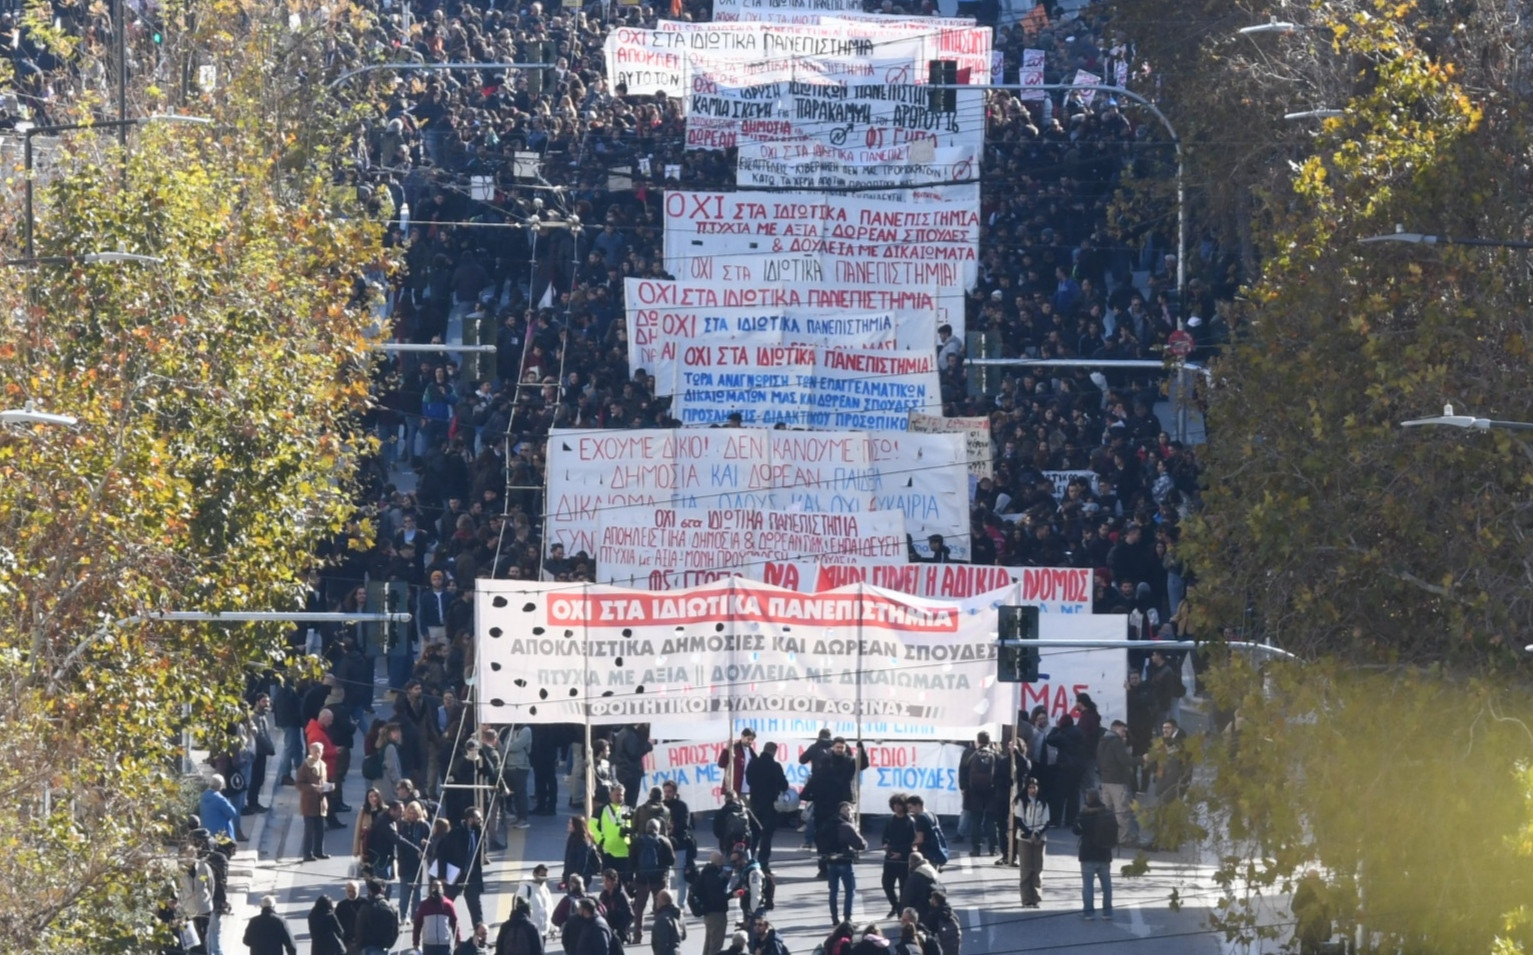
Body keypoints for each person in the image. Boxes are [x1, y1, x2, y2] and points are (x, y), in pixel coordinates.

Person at [1073, 790, 1117, 920]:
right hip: (1104, 853)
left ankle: (1089, 913)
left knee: (1088, 886)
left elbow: (1075, 830)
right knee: (1107, 886)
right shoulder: (1108, 813)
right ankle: (1107, 912)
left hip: (1087, 854)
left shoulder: (1085, 814)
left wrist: (1080, 815)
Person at [441, 808, 489, 927]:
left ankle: (479, 933)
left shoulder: (477, 832)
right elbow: (442, 853)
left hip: (471, 875)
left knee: (475, 907)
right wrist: (442, 875)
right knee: (446, 903)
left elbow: (481, 851)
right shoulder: (455, 833)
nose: (481, 821)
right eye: (478, 819)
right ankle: (442, 927)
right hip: (455, 875)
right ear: (470, 820)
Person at [631, 819, 676, 942]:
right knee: (660, 908)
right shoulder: (664, 841)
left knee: (639, 909)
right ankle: (659, 935)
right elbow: (671, 860)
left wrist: (634, 875)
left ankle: (637, 935)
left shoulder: (638, 841)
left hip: (642, 880)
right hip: (659, 880)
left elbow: (631, 860)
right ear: (658, 828)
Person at [1097, 720, 1140, 849]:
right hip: (1118, 782)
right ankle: (1123, 838)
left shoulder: (1102, 741)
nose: (1124, 733)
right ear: (1115, 729)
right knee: (1122, 812)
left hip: (1105, 780)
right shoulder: (1116, 742)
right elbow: (1124, 761)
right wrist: (1142, 759)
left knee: (1106, 811)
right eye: (1122, 730)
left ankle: (1106, 836)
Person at [745, 742, 788, 870]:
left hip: (754, 803)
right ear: (774, 751)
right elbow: (784, 785)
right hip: (770, 804)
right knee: (766, 835)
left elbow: (748, 781)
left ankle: (749, 861)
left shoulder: (753, 764)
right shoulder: (775, 766)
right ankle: (763, 863)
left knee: (753, 834)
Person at [822, 802, 867, 925]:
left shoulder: (828, 824)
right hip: (844, 861)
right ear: (840, 810)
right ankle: (847, 918)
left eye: (850, 809)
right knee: (850, 890)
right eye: (847, 809)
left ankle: (834, 918)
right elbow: (861, 845)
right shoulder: (846, 826)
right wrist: (856, 829)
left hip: (830, 862)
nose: (849, 811)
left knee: (833, 891)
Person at [957, 733, 1000, 858]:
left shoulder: (969, 754)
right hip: (991, 793)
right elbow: (1001, 771)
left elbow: (962, 771)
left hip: (973, 792)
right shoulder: (995, 754)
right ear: (989, 740)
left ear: (978, 741)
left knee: (976, 820)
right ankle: (993, 848)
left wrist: (963, 787)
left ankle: (976, 849)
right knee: (991, 821)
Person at [1012, 777, 1049, 908]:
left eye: (1034, 787)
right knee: (1026, 870)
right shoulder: (1021, 801)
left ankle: (1036, 898)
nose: (1032, 790)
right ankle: (1026, 899)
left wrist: (1038, 833)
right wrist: (1029, 834)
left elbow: (1046, 821)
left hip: (1039, 839)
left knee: (1038, 869)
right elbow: (1019, 820)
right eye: (1030, 787)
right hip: (1024, 839)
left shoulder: (1043, 802)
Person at [687, 851, 732, 955]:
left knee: (708, 944)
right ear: (718, 862)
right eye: (721, 860)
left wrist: (726, 879)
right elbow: (716, 897)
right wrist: (731, 895)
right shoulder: (712, 877)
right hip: (716, 914)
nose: (722, 862)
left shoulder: (707, 873)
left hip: (708, 914)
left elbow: (714, 889)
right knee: (715, 946)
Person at [880, 794, 916, 918]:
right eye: (894, 804)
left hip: (904, 860)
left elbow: (913, 842)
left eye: (899, 804)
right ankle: (895, 905)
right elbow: (885, 836)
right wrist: (885, 845)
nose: (896, 807)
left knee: (903, 887)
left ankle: (902, 909)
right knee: (886, 884)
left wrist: (902, 853)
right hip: (890, 858)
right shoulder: (890, 820)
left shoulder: (910, 822)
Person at [297, 741, 333, 862]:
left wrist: (328, 787)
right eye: (315, 751)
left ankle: (319, 851)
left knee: (320, 829)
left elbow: (324, 781)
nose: (318, 754)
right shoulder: (305, 766)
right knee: (309, 830)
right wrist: (312, 787)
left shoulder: (322, 765)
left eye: (320, 751)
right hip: (309, 803)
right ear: (311, 752)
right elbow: (299, 784)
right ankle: (307, 853)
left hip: (321, 802)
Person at [353, 879, 402, 955]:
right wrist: (389, 944)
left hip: (368, 946)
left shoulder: (365, 907)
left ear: (369, 890)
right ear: (382, 890)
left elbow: (359, 928)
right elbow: (395, 929)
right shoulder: (390, 907)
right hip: (383, 945)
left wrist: (360, 946)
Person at [592, 787, 634, 874]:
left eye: (621, 795)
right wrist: (600, 840)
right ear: (610, 795)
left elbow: (636, 827)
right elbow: (591, 826)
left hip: (625, 852)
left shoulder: (630, 810)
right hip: (608, 852)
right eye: (617, 795)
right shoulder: (601, 810)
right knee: (610, 883)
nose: (619, 797)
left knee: (627, 883)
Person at [1292, 870, 1334, 955]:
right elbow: (1294, 907)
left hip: (1322, 931)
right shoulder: (1302, 891)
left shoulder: (1324, 891)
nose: (1312, 881)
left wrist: (1325, 905)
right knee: (1306, 950)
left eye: (1315, 878)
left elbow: (1332, 909)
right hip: (1307, 931)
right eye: (1310, 878)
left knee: (1323, 951)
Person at [415, 878, 462, 955]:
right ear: (430, 889)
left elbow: (455, 923)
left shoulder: (448, 905)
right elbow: (417, 924)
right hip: (428, 944)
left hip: (444, 944)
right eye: (434, 887)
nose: (436, 890)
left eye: (438, 887)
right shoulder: (424, 905)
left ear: (442, 889)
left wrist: (458, 940)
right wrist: (416, 942)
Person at [661, 781, 696, 883]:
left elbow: (685, 824)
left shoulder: (682, 806)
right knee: (664, 877)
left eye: (669, 791)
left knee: (679, 878)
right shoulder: (661, 806)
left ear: (675, 792)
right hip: (663, 845)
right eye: (665, 792)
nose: (667, 794)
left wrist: (673, 828)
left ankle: (681, 900)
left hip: (680, 845)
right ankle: (665, 899)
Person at [614, 724, 654, 809]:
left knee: (625, 799)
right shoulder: (630, 735)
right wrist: (648, 745)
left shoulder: (622, 733)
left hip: (623, 771)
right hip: (631, 773)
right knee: (631, 801)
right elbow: (634, 753)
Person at [904, 795, 948, 870]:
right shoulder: (932, 815)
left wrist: (910, 846)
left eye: (910, 807)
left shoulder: (920, 819)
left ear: (917, 805)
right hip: (937, 852)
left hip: (927, 855)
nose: (909, 811)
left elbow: (919, 840)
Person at [898, 853, 942, 924]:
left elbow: (907, 898)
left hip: (919, 915)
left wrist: (902, 915)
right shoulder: (932, 872)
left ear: (911, 863)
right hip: (934, 912)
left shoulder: (914, 878)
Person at [505, 722, 535, 827]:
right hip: (510, 765)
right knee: (515, 794)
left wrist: (510, 745)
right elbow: (506, 744)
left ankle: (523, 817)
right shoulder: (512, 730)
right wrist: (509, 745)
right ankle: (518, 816)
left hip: (521, 766)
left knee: (521, 793)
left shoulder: (526, 730)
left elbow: (516, 746)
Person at [563, 815, 604, 889]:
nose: (568, 825)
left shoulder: (583, 842)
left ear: (576, 826)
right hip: (571, 876)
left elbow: (582, 862)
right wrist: (565, 876)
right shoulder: (572, 837)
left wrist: (577, 878)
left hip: (580, 878)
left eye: (570, 823)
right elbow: (567, 858)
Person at [714, 790, 757, 856]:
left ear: (725, 799)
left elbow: (716, 831)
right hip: (745, 842)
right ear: (737, 799)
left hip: (727, 844)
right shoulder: (745, 810)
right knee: (747, 860)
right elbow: (756, 826)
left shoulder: (721, 813)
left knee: (727, 863)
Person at [517, 864, 555, 938]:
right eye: (542, 875)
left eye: (545, 875)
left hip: (543, 932)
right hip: (529, 933)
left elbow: (549, 909)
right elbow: (517, 910)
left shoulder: (545, 890)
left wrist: (551, 927)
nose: (543, 878)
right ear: (534, 874)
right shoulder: (525, 889)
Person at [199, 775, 241, 843]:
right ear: (220, 786)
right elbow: (233, 812)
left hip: (206, 831)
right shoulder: (219, 799)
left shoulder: (204, 796)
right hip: (219, 833)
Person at [599, 868, 635, 945]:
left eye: (607, 880)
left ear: (614, 881)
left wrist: (621, 929)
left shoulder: (621, 896)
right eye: (604, 880)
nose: (604, 883)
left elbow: (630, 915)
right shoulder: (603, 895)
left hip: (619, 930)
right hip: (607, 928)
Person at [718, 728, 757, 796]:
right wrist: (727, 748)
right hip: (734, 791)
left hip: (749, 790)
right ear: (742, 736)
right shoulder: (734, 748)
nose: (750, 741)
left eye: (752, 739)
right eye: (748, 739)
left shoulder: (752, 752)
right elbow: (721, 764)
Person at [649, 888, 686, 955]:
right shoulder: (679, 915)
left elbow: (662, 944)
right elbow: (684, 936)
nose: (656, 901)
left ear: (662, 901)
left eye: (657, 899)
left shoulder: (662, 920)